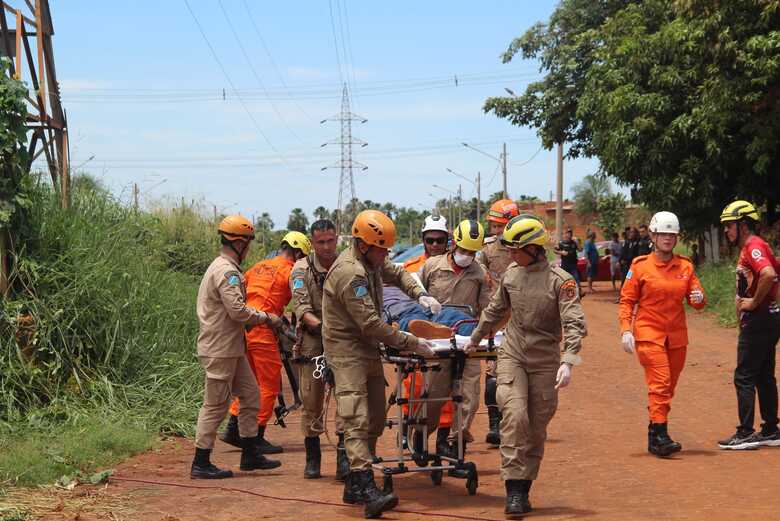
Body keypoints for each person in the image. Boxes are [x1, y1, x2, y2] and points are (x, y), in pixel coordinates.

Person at [465, 215, 586, 517]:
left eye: (515, 249)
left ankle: (524, 486)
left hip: (545, 359)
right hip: (514, 354)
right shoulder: (511, 275)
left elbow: (573, 323)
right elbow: (495, 310)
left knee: (535, 427)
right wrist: (475, 337)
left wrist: (569, 360)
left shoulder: (561, 281)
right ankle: (513, 490)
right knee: (514, 416)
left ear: (534, 248)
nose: (510, 254)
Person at [322, 209, 438, 518]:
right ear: (363, 245)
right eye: (381, 248)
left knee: (375, 415)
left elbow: (397, 272)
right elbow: (371, 324)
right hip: (347, 351)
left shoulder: (372, 260)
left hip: (368, 350)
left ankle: (354, 487)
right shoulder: (351, 273)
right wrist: (413, 343)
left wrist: (420, 294)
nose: (385, 253)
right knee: (356, 417)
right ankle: (364, 484)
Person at [191, 215, 282, 479]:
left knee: (251, 394)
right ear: (240, 243)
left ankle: (250, 453)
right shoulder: (227, 271)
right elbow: (238, 312)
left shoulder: (225, 267)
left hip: (232, 347)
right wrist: (267, 318)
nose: (250, 248)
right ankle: (201, 461)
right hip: (220, 349)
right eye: (249, 243)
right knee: (215, 405)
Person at [618, 211, 706, 457]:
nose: (667, 238)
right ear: (653, 236)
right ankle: (660, 434)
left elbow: (697, 298)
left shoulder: (686, 266)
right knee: (661, 382)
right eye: (663, 234)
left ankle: (654, 431)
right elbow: (626, 301)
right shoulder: (639, 267)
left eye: (672, 234)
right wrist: (626, 329)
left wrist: (699, 298)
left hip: (677, 337)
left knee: (668, 388)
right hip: (649, 333)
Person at [220, 231, 311, 454]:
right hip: (263, 330)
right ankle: (256, 434)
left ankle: (233, 429)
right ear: (298, 252)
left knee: (248, 385)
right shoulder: (290, 271)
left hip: (245, 328)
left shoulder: (259, 266)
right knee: (269, 385)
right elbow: (302, 301)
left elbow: (240, 289)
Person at [418, 219, 492, 456]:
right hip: (436, 341)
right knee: (434, 394)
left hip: (467, 340)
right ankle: (419, 436)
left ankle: (451, 441)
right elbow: (414, 294)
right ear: (454, 244)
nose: (466, 255)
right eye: (463, 250)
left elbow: (486, 307)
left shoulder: (480, 273)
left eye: (472, 251)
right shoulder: (431, 266)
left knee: (468, 395)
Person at [717, 201, 780, 450]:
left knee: (744, 375)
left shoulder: (753, 246)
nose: (726, 230)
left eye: (729, 225)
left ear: (742, 225)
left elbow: (767, 274)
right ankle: (771, 429)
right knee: (764, 374)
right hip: (768, 318)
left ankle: (745, 432)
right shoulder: (757, 245)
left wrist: (753, 302)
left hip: (759, 320)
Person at [289, 219, 347, 480]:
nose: (326, 246)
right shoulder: (300, 270)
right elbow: (301, 309)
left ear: (337, 240)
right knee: (311, 401)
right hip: (313, 341)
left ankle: (344, 459)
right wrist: (325, 328)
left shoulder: (346, 265)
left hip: (343, 341)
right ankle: (313, 458)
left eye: (330, 240)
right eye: (320, 242)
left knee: (346, 400)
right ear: (312, 244)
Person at [477, 199, 520, 447]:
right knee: (493, 373)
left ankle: (513, 421)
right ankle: (495, 424)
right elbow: (478, 275)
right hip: (496, 321)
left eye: (500, 226)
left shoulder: (525, 248)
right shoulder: (487, 251)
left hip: (521, 321)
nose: (496, 231)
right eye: (494, 226)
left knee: (516, 373)